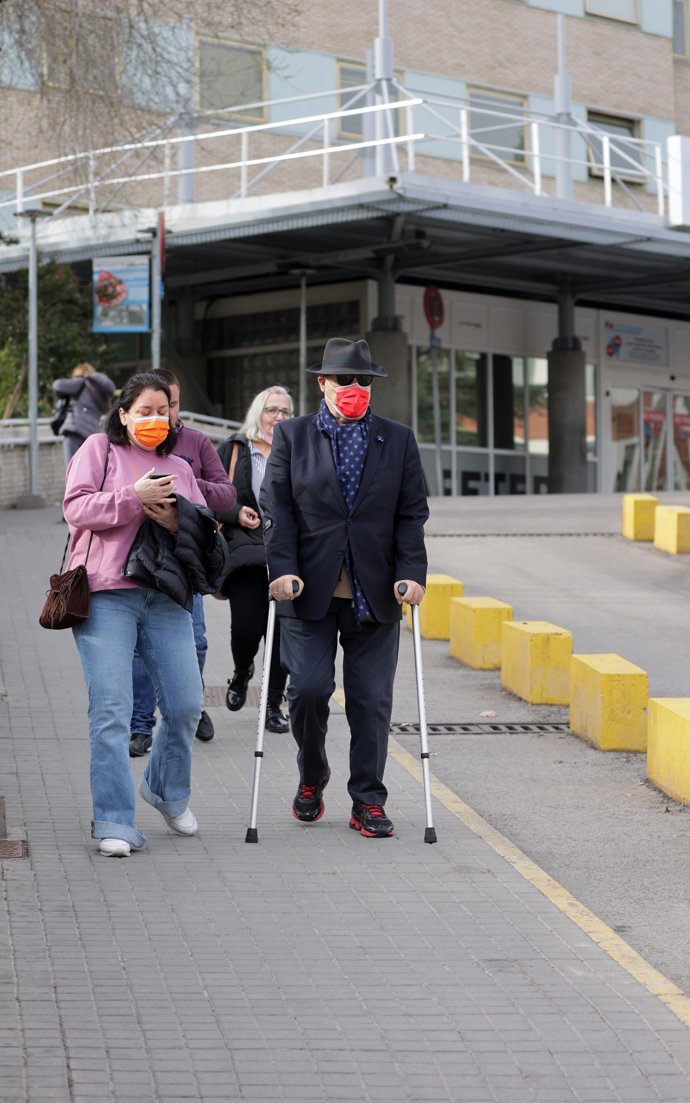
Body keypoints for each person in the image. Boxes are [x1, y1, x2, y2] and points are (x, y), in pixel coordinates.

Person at [260, 338, 429, 839]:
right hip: (306, 589)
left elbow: (411, 513)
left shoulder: (397, 439)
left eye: (363, 381)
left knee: (371, 700)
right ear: (323, 384)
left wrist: (412, 572)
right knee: (309, 691)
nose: (355, 389)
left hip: (375, 592)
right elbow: (277, 509)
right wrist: (281, 568)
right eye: (345, 381)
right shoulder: (292, 436)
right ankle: (312, 777)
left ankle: (368, 800)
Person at [63, 371, 225, 858]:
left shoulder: (180, 465)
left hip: (166, 596)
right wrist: (133, 498)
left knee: (185, 706)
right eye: (145, 410)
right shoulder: (98, 449)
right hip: (106, 594)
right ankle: (115, 820)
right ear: (124, 415)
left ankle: (166, 790)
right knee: (110, 711)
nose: (155, 419)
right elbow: (76, 508)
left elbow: (203, 538)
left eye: (163, 410)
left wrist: (177, 519)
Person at [129, 369, 236, 755]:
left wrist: (185, 483)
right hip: (138, 566)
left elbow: (225, 494)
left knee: (197, 640)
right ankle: (141, 724)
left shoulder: (196, 442)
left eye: (170, 405)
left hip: (183, 562)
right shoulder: (122, 445)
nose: (164, 415)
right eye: (154, 407)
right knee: (141, 650)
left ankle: (190, 704)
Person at [216, 386, 292, 734]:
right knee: (247, 627)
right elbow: (210, 492)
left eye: (285, 412)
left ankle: (273, 703)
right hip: (246, 551)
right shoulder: (234, 449)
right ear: (257, 413)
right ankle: (242, 670)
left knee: (280, 634)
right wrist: (234, 513)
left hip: (288, 552)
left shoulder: (299, 449)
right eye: (272, 410)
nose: (278, 417)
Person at [52, 362, 115, 463]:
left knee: (71, 467)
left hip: (75, 429)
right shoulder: (101, 389)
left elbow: (58, 385)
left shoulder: (82, 382)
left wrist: (78, 379)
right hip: (92, 432)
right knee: (87, 468)